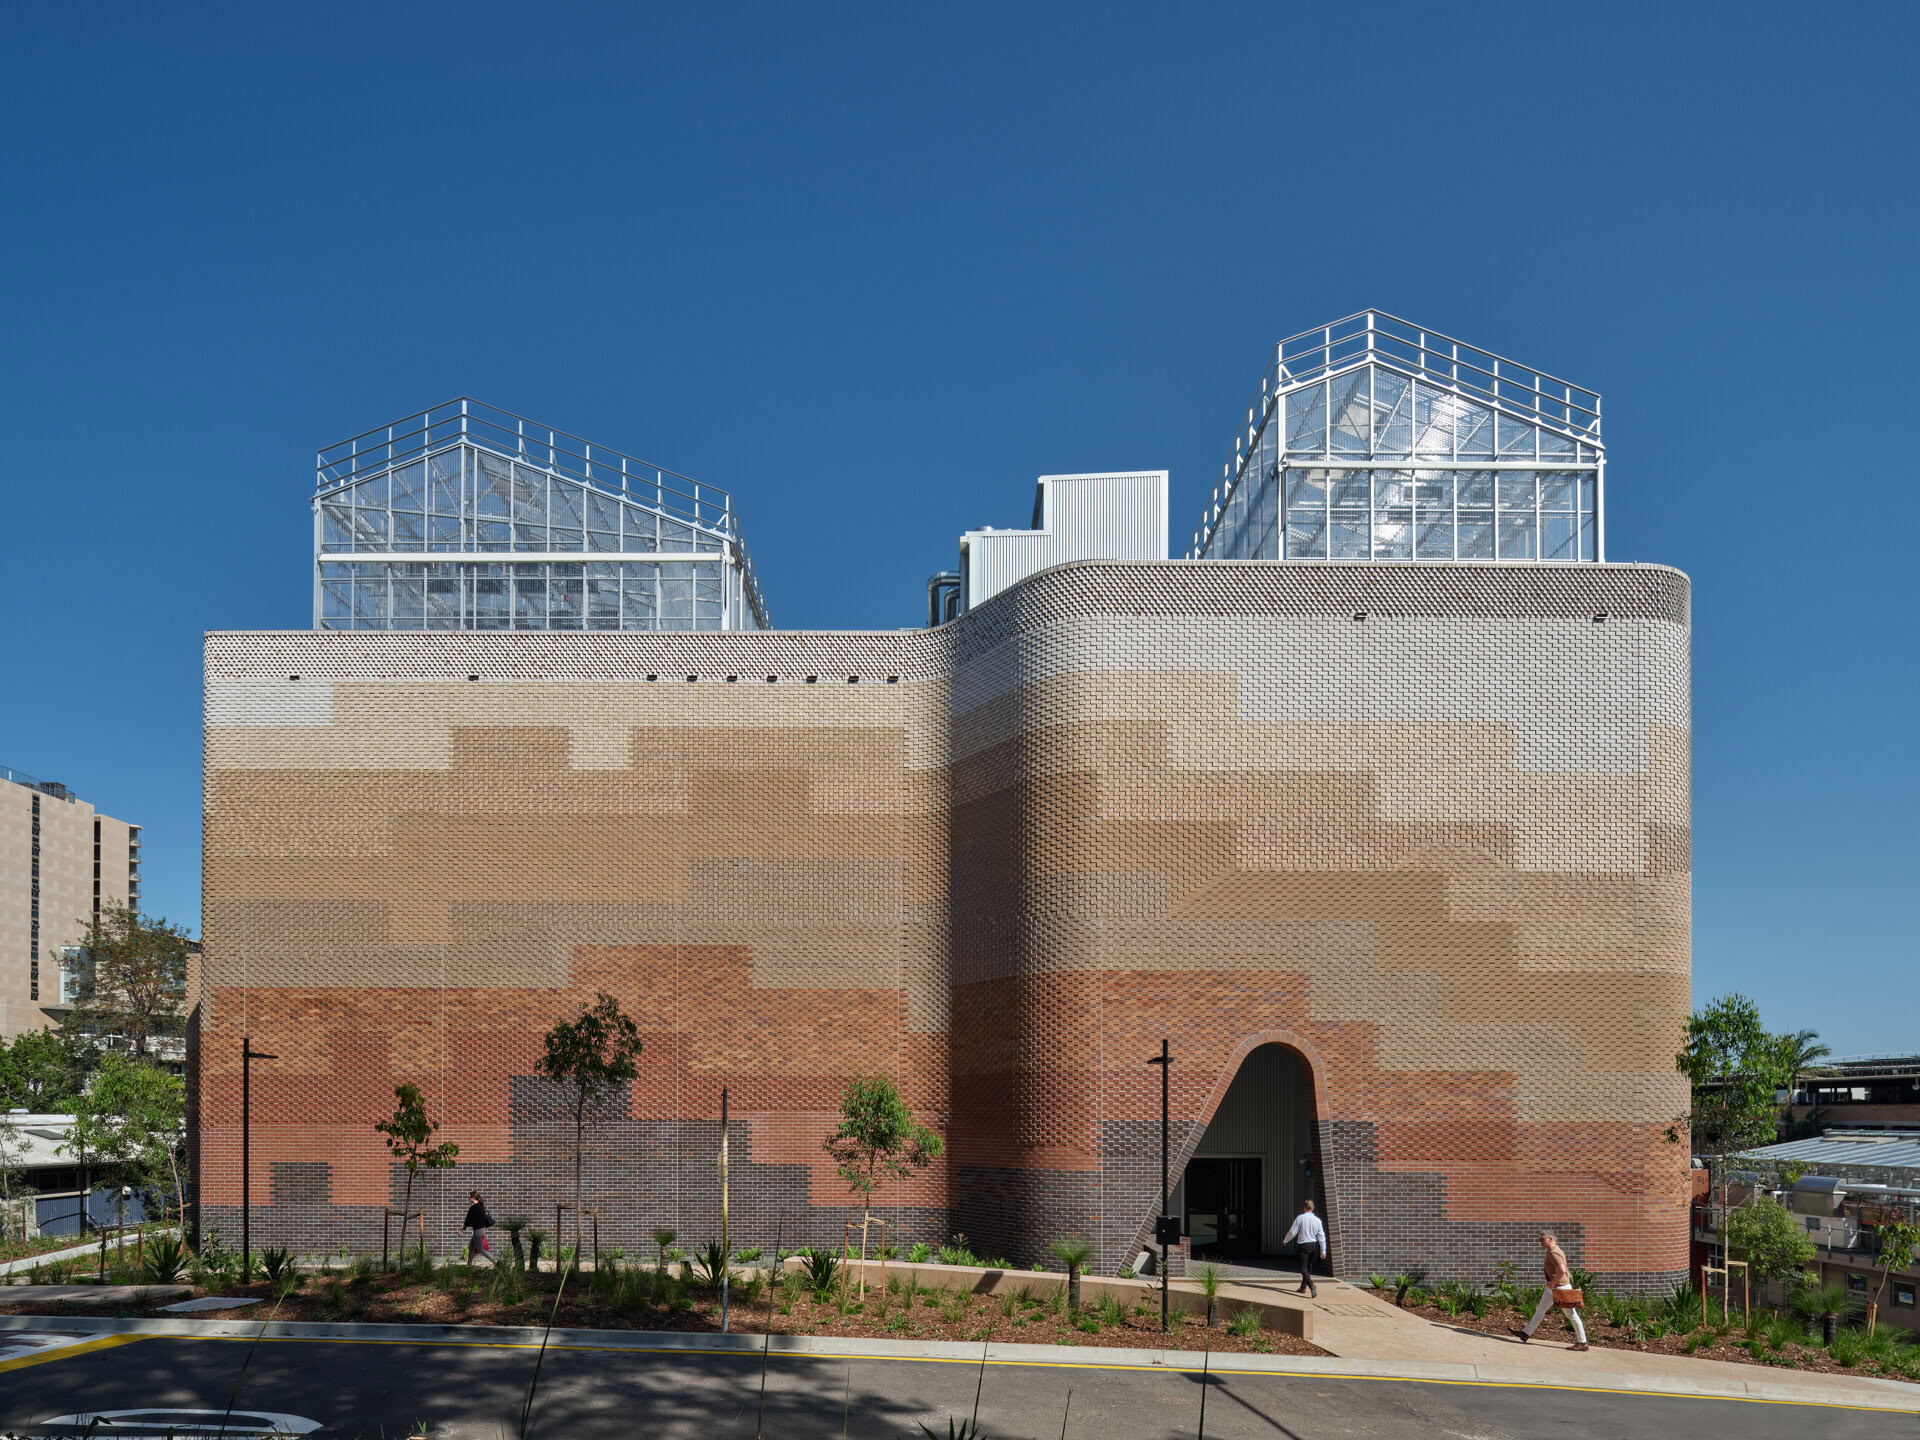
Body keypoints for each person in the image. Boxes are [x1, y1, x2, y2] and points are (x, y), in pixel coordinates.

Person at [1512, 1231, 1588, 1350]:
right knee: (1540, 1310)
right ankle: (1525, 1333)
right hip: (1553, 1288)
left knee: (1572, 1315)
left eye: (1542, 1239)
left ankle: (1582, 1343)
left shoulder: (1554, 1253)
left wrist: (1552, 1282)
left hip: (1560, 1288)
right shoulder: (1553, 1251)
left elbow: (1562, 1270)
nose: (1540, 1241)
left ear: (1551, 1239)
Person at [1281, 1198, 1326, 1297]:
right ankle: (1303, 1287)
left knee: (1302, 1267)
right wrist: (1323, 1250)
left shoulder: (1300, 1218)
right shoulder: (1317, 1220)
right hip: (1313, 1245)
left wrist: (1285, 1240)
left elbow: (1293, 1232)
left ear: (1304, 1208)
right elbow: (1321, 1236)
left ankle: (1311, 1285)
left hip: (1303, 1245)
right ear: (1313, 1208)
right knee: (1308, 1267)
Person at [463, 1190, 494, 1265]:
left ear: (473, 1198)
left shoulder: (473, 1208)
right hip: (482, 1229)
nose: (468, 1198)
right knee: (471, 1247)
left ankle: (494, 1261)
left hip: (478, 1231)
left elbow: (467, 1220)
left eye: (469, 1197)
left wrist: (462, 1229)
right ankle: (469, 1265)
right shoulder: (481, 1206)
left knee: (480, 1249)